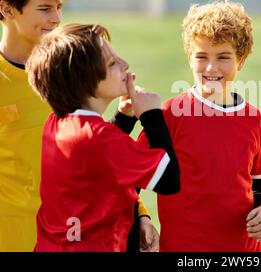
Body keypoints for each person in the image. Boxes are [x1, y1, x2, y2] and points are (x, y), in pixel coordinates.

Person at [26, 23, 180, 251]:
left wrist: (124, 118)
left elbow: (97, 159)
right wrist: (151, 115)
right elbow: (169, 180)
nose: (125, 64)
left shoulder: (58, 123)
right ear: (85, 81)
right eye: (112, 63)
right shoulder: (99, 137)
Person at [138, 0, 261, 251]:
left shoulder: (256, 120)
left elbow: (257, 186)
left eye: (223, 57)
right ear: (189, 57)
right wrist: (142, 219)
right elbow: (128, 179)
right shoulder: (168, 116)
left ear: (241, 60)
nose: (211, 67)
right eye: (202, 56)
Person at [0, 0, 74, 251]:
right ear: (7, 9)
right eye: (45, 8)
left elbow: (100, 152)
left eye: (58, 7)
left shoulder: (70, 74)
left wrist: (141, 212)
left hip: (68, 234)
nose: (56, 18)